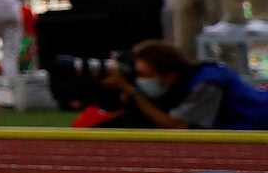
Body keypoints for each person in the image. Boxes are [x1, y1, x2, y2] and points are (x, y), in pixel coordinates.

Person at [95, 38, 268, 130]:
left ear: (170, 75)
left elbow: (176, 125)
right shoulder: (179, 84)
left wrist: (133, 92)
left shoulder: (208, 81)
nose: (141, 80)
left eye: (145, 75)